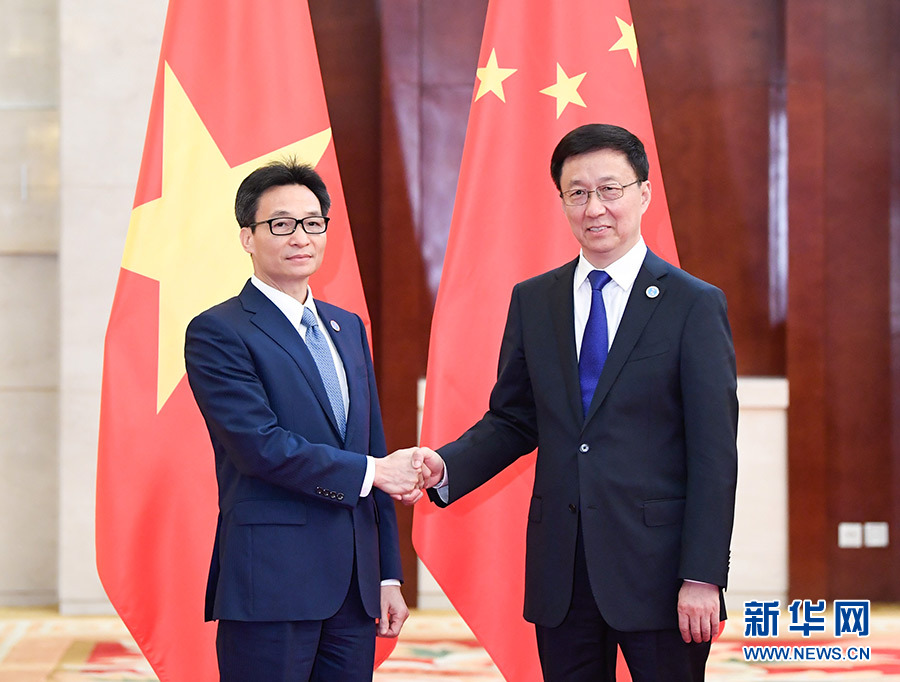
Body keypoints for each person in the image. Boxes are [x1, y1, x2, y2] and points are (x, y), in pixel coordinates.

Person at [415, 123, 738, 681]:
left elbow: (714, 453)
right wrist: (447, 465)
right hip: (562, 570)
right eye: (578, 192)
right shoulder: (534, 300)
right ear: (562, 201)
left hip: (660, 571)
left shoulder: (693, 305)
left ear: (643, 193)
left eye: (610, 189)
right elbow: (515, 419)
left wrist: (703, 575)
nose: (595, 208)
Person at [184, 159, 422, 681]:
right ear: (247, 237)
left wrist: (387, 575)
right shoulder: (218, 331)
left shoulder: (347, 327)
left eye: (313, 223)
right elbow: (259, 446)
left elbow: (372, 446)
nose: (300, 237)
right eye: (281, 224)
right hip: (271, 582)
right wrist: (372, 472)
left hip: (355, 589)